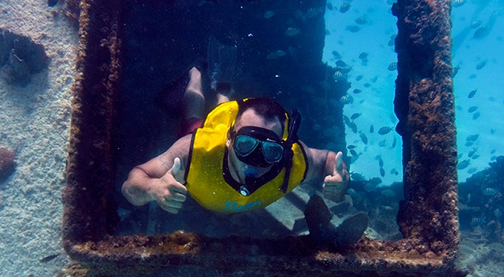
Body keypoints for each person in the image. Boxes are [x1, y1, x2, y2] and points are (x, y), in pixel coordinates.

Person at [121, 66, 349, 214]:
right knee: (193, 115)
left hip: (232, 133)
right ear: (229, 140)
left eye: (270, 151)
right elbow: (131, 184)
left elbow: (328, 160)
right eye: (246, 145)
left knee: (226, 111)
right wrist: (153, 188)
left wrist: (340, 178)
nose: (254, 161)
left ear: (283, 150)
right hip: (210, 136)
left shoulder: (295, 161)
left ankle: (222, 90)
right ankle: (196, 75)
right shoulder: (193, 151)